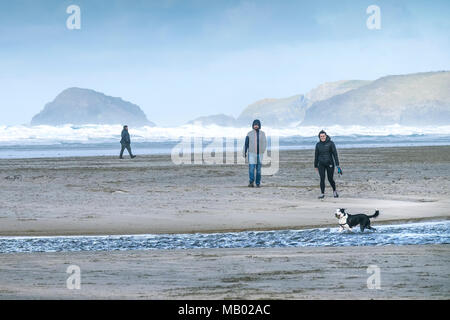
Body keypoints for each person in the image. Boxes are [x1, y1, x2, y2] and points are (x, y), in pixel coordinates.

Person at [314, 130, 342, 198]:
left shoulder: (331, 143)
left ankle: (334, 191)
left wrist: (337, 165)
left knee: (330, 179)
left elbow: (335, 154)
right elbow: (316, 155)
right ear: (319, 137)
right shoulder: (318, 144)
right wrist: (315, 165)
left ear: (326, 136)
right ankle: (322, 194)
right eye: (321, 136)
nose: (322, 137)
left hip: (330, 163)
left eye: (323, 136)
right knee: (322, 178)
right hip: (321, 164)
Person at [243, 119, 267, 187]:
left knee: (258, 170)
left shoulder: (262, 133)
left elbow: (264, 143)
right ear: (253, 126)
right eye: (254, 125)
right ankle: (251, 182)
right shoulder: (249, 133)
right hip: (251, 154)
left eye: (257, 125)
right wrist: (244, 152)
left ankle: (258, 183)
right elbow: (246, 144)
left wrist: (262, 151)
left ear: (259, 125)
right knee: (251, 169)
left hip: (260, 154)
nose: (256, 126)